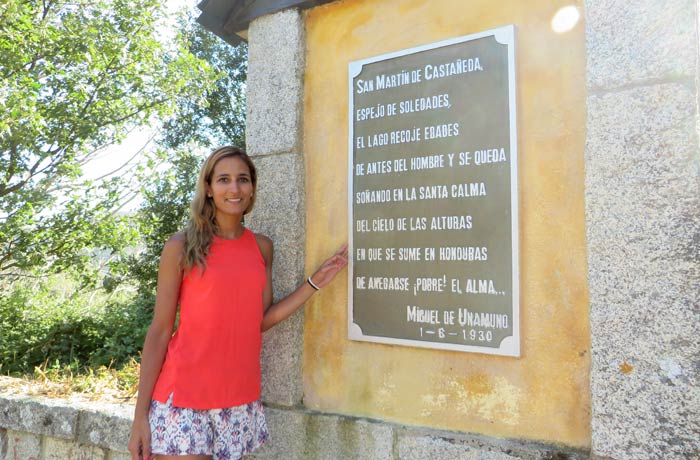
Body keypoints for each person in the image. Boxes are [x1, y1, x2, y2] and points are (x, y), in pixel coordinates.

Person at [127, 146, 348, 460]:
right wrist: (140, 417)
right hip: (184, 397)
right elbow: (160, 331)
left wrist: (314, 283)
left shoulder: (261, 247)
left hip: (238, 399)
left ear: (252, 187)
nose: (234, 188)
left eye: (242, 179)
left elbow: (259, 320)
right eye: (224, 179)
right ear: (208, 188)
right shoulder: (181, 246)